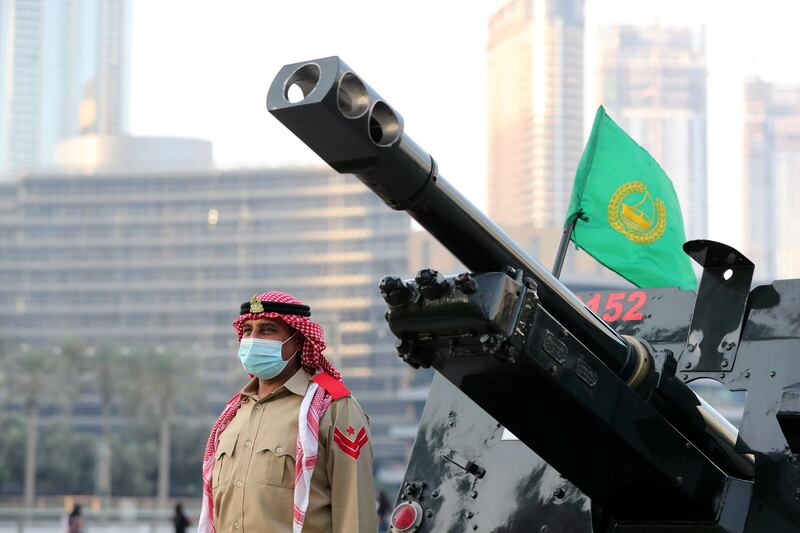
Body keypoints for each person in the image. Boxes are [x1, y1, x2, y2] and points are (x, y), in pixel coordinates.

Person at [198, 291, 377, 533]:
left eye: (267, 329)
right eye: (248, 331)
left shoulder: (333, 408)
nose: (253, 339)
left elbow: (354, 514)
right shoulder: (233, 414)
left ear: (299, 340)